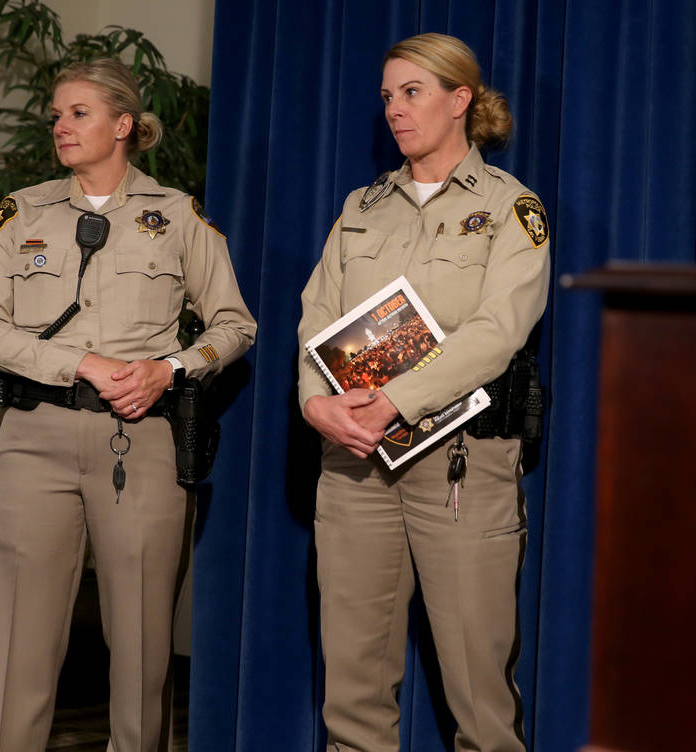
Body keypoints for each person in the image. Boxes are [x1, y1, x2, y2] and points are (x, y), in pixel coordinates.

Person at [0, 58, 256, 751]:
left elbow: (235, 326)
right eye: (57, 115)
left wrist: (170, 368)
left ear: (124, 124)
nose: (61, 126)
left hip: (141, 441)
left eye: (79, 113)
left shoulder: (178, 216)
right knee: (17, 648)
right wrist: (81, 362)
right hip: (33, 437)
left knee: (143, 649)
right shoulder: (20, 212)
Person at [297, 33, 550, 752]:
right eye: (387, 96)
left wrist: (397, 400)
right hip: (354, 461)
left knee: (479, 695)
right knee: (352, 690)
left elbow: (498, 331)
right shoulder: (361, 206)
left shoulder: (510, 208)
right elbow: (317, 319)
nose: (395, 110)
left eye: (412, 93)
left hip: (459, 466)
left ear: (459, 100)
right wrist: (314, 403)